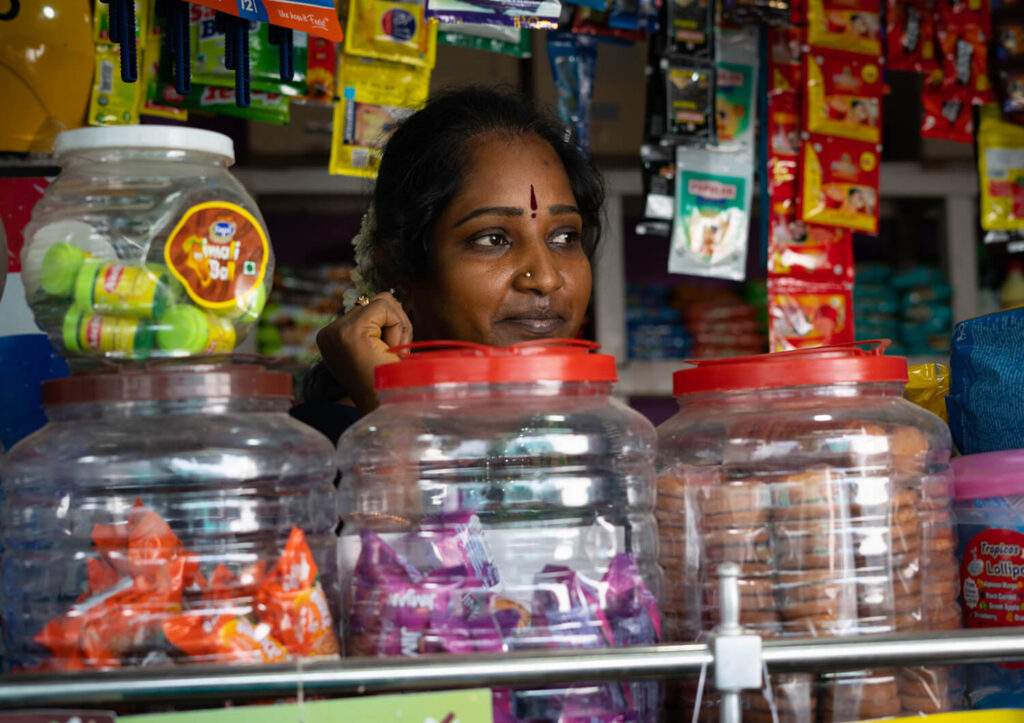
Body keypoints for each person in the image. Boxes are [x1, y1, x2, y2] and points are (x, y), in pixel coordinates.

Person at [291, 87, 605, 443]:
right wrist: (387, 412)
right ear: (399, 268)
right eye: (493, 239)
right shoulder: (318, 446)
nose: (546, 279)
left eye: (564, 237)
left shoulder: (596, 438)